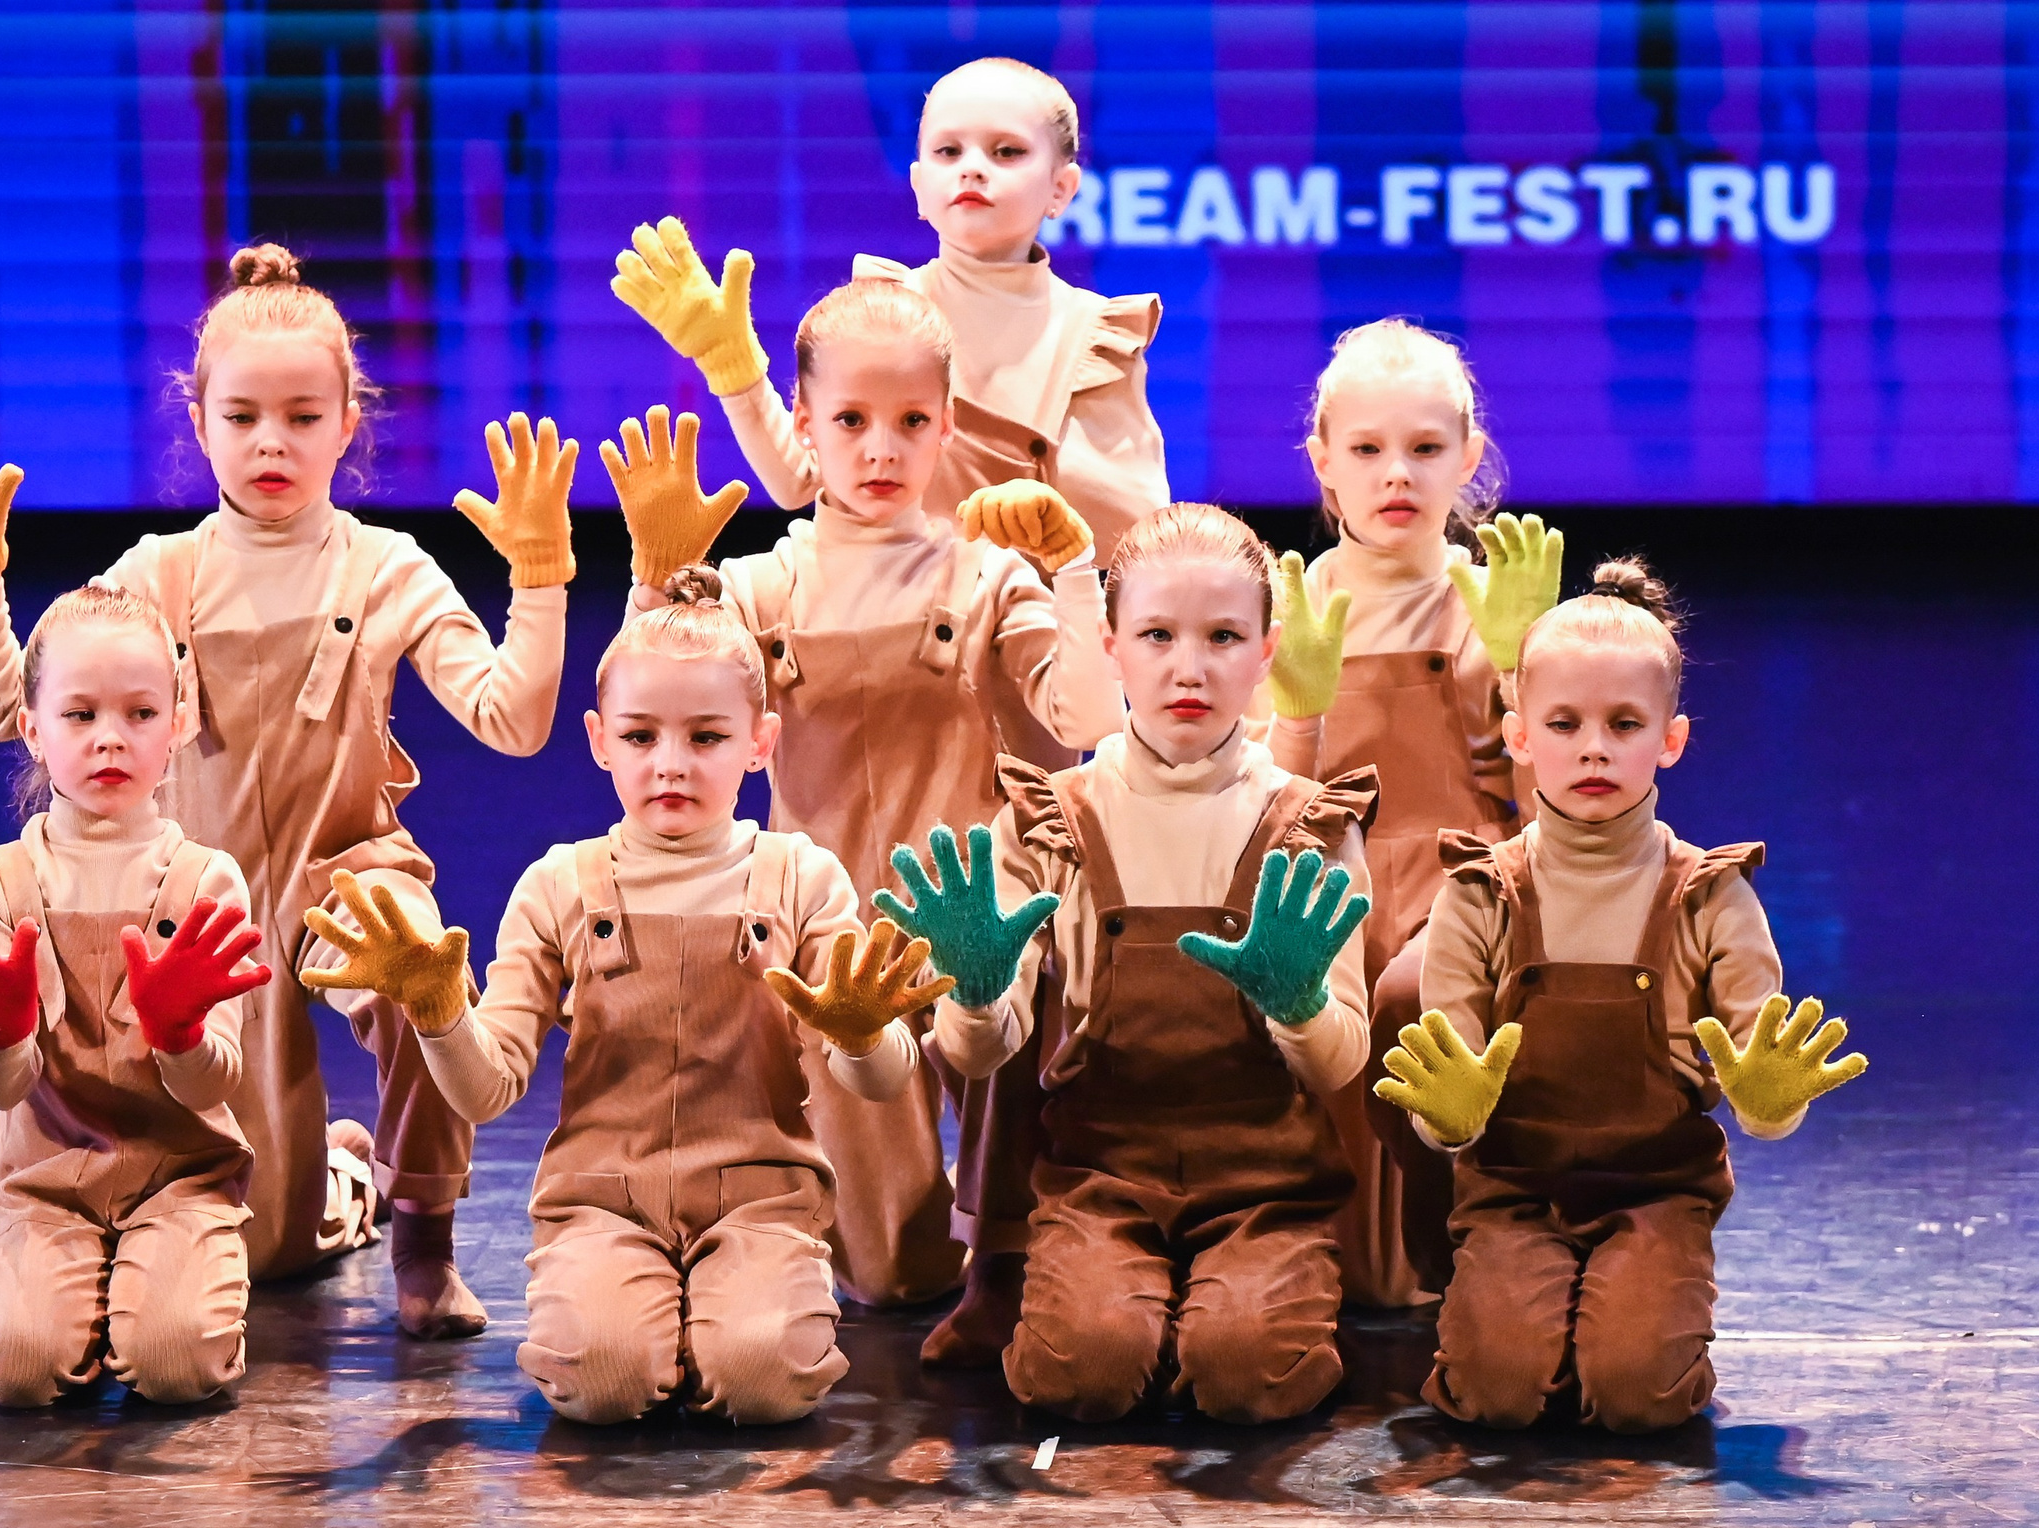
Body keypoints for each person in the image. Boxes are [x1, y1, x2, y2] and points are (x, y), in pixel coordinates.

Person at [0, 243, 573, 1337]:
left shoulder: (387, 565)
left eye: (304, 417)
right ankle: (340, 1186)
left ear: (349, 422)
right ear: (197, 418)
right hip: (194, 889)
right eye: (243, 415)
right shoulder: (156, 571)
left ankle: (424, 1242)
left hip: (346, 874)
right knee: (268, 1258)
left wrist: (540, 581)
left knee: (419, 974)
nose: (272, 442)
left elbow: (516, 718)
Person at [604, 277, 1121, 1337]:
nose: (880, 449)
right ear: (802, 425)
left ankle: (1010, 1262)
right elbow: (643, 699)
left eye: (910, 423)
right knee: (891, 1278)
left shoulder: (989, 580)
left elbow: (1087, 713)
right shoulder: (758, 590)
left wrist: (1073, 573)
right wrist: (654, 585)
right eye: (849, 421)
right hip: (831, 933)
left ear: (945, 428)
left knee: (1009, 1015)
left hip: (974, 909)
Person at [369, 569, 946, 1423]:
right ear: (601, 740)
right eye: (641, 737)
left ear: (761, 742)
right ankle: (648, 1320)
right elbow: (488, 1088)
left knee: (764, 1383)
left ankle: (714, 1320)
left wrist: (863, 1036)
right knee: (600, 1386)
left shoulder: (803, 879)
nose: (670, 764)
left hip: (761, 1198)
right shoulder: (559, 885)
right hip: (601, 1199)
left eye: (707, 737)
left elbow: (881, 1081)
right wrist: (437, 1011)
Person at [902, 504, 1375, 1422]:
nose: (1188, 667)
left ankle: (1250, 1309)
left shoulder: (1314, 827)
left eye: (1224, 636)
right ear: (1110, 645)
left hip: (1265, 1184)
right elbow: (975, 1053)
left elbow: (1342, 1059)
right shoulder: (1052, 818)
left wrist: (1299, 1003)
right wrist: (974, 987)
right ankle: (1138, 1305)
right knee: (1081, 1375)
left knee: (1245, 1377)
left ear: (1268, 652)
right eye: (1156, 634)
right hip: (1102, 1174)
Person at [1372, 559, 1868, 1433]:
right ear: (1520, 736)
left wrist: (1769, 1102)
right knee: (1495, 1394)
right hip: (1514, 1189)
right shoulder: (1481, 892)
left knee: (1639, 1397)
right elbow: (1443, 1075)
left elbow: (1758, 1060)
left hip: (1654, 1194)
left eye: (1623, 723)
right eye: (1564, 723)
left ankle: (1628, 1317)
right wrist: (1448, 1113)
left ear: (1669, 740)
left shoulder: (1711, 896)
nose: (1593, 746)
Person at [0, 586, 268, 1407]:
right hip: (48, 1181)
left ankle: (332, 1189)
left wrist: (181, 1036)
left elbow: (215, 1085)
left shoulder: (208, 880)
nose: (109, 740)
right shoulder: (2, 880)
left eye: (138, 713)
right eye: (79, 715)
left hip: (180, 1176)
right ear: (32, 728)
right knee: (18, 1372)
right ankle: (80, 1287)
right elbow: (2, 1090)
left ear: (179, 724)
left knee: (174, 1366)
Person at [1260, 317, 1563, 1304]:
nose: (1398, 473)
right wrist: (1296, 714)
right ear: (1323, 464)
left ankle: (1466, 1245)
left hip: (1462, 885)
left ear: (1469, 459)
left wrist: (1520, 668)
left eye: (1426, 449)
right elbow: (1261, 803)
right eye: (1368, 450)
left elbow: (1544, 805)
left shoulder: (1490, 604)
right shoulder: (1283, 607)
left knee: (1427, 997)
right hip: (1325, 883)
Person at [612, 56, 1168, 564]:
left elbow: (1134, 543)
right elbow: (797, 480)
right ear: (920, 186)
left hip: (1033, 650)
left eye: (1007, 151)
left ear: (1061, 188)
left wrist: (1042, 522)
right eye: (948, 151)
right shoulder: (872, 316)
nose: (972, 168)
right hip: (870, 633)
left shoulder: (1097, 340)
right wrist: (729, 365)